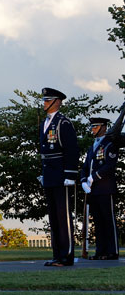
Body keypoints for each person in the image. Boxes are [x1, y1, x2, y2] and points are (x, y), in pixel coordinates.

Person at [39, 87, 79, 267]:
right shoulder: (45, 123)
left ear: (57, 102)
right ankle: (57, 255)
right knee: (54, 217)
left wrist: (70, 174)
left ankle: (67, 255)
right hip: (50, 174)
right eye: (44, 100)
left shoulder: (64, 123)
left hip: (61, 174)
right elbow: (45, 151)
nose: (45, 103)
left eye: (48, 100)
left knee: (64, 217)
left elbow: (72, 150)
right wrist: (43, 173)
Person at [80, 117, 119, 260]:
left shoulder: (109, 145)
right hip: (93, 190)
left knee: (108, 221)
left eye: (95, 127)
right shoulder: (93, 146)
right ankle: (100, 251)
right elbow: (85, 167)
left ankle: (112, 251)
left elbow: (109, 166)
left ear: (103, 127)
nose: (93, 129)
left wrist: (94, 177)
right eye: (92, 127)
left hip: (105, 188)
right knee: (98, 222)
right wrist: (84, 181)